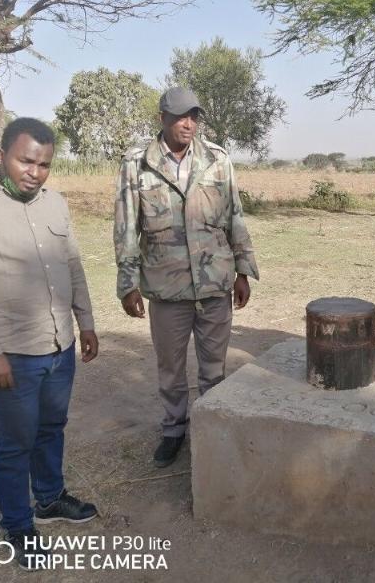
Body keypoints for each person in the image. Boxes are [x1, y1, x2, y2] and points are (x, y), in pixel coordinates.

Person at [0, 118, 100, 570]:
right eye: (26, 161)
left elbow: (73, 265)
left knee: (52, 427)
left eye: (44, 164)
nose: (35, 172)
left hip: (59, 345)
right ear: (1, 155)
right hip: (10, 354)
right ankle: (18, 525)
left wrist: (86, 322)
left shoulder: (55, 204)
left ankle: (49, 499)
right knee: (15, 442)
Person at [114, 87, 259, 468]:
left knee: (214, 368)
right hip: (167, 286)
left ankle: (212, 431)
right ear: (162, 118)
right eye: (180, 116)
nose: (188, 123)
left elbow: (235, 215)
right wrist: (128, 283)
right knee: (171, 367)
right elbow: (127, 226)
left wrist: (243, 270)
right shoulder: (137, 164)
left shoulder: (217, 159)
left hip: (214, 282)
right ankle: (174, 430)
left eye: (194, 116)